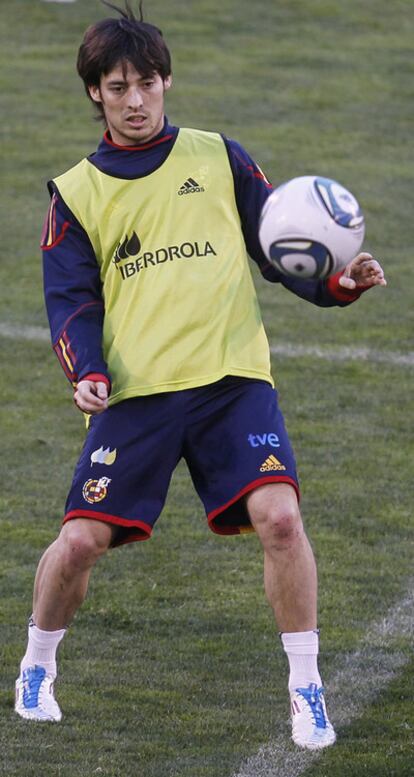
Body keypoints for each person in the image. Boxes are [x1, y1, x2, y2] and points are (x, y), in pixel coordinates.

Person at [15, 0, 386, 750]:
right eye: (118, 86)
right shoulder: (77, 192)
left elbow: (281, 249)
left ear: (168, 80)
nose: (136, 99)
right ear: (95, 91)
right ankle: (36, 663)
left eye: (147, 82)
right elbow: (70, 303)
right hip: (136, 393)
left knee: (281, 518)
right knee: (81, 539)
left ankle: (306, 685)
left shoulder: (220, 155)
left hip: (232, 381)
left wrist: (340, 285)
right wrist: (84, 370)